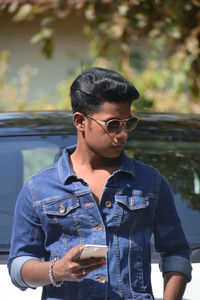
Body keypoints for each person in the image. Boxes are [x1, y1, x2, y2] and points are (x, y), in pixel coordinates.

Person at [8, 67, 192, 300]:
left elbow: (176, 250)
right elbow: (18, 267)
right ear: (80, 121)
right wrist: (57, 271)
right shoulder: (38, 189)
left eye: (129, 123)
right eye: (113, 124)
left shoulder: (151, 183)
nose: (123, 134)